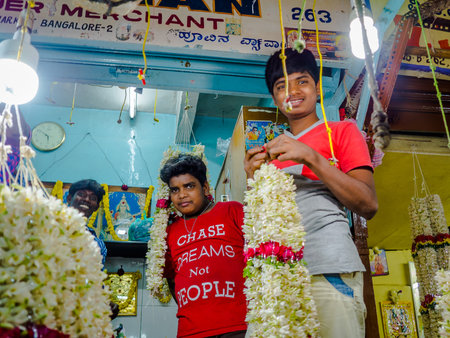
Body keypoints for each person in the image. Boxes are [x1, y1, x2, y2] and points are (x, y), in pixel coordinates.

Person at [244, 48, 378, 338]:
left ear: (317, 87)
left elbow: (367, 204)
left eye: (301, 81)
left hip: (329, 271)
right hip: (278, 278)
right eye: (281, 86)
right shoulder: (272, 152)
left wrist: (312, 157)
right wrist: (253, 180)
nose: (292, 91)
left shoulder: (342, 131)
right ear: (275, 98)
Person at [160, 154, 247, 338]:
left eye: (189, 186)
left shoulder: (232, 210)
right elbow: (171, 278)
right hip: (191, 330)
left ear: (205, 187)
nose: (182, 194)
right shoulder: (168, 232)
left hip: (238, 325)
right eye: (175, 190)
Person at [66, 179, 119, 320]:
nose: (87, 199)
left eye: (93, 198)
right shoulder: (52, 226)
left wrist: (106, 303)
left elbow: (96, 282)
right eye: (81, 194)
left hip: (82, 315)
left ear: (96, 207)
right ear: (69, 198)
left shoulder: (98, 244)